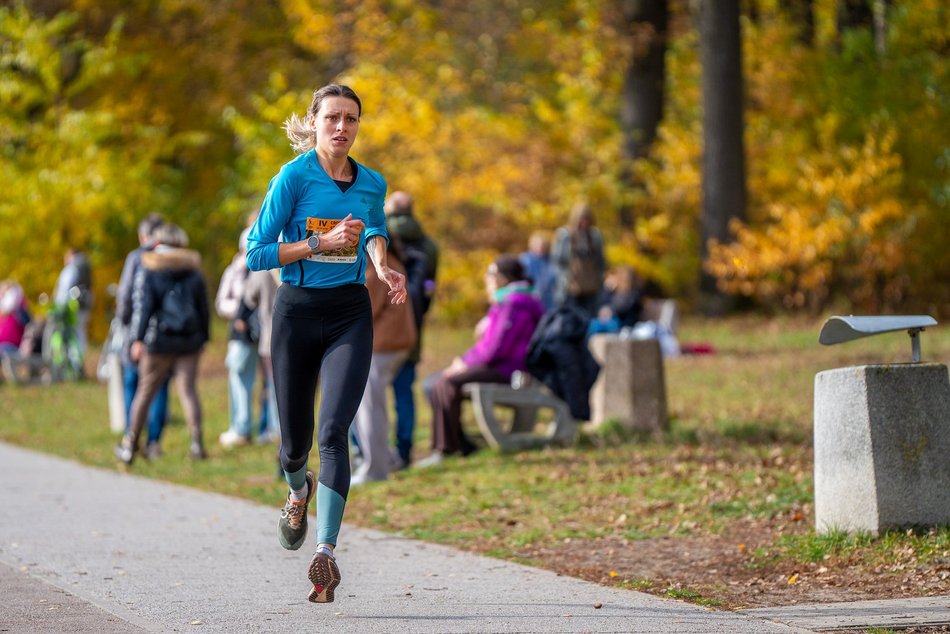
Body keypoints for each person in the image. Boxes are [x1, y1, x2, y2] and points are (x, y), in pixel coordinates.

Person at [245, 83, 407, 604]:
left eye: (351, 119)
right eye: (333, 117)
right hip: (296, 312)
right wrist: (320, 241)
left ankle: (326, 552)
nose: (342, 127)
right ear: (314, 122)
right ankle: (298, 491)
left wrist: (381, 264)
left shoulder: (372, 182)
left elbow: (374, 229)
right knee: (295, 444)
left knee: (334, 431)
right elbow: (257, 253)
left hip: (349, 314)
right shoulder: (292, 178)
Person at [417, 254, 545, 468]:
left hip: (509, 370)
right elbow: (487, 345)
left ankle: (445, 449)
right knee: (435, 383)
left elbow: (496, 349)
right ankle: (459, 445)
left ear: (502, 278)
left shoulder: (514, 303)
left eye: (490, 273)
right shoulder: (507, 301)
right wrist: (463, 360)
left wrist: (465, 364)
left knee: (445, 383)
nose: (486, 278)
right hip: (499, 365)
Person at [114, 223, 211, 464]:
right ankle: (197, 444)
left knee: (145, 391)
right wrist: (203, 337)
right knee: (188, 391)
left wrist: (137, 338)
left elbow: (143, 307)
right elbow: (203, 309)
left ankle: (130, 444)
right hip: (189, 341)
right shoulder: (193, 270)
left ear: (158, 242)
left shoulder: (151, 267)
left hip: (158, 340)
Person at [350, 238, 416, 485]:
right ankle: (383, 458)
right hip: (392, 344)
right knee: (368, 406)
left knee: (369, 408)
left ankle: (375, 469)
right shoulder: (389, 260)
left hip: (382, 346)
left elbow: (363, 308)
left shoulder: (377, 267)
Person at [383, 190, 439, 469]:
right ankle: (404, 451)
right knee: (404, 392)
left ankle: (368, 451)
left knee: (368, 395)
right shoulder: (429, 244)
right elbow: (430, 288)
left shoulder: (379, 234)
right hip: (412, 326)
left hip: (380, 327)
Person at [116, 213, 170, 459]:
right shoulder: (172, 256)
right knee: (159, 386)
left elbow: (125, 296)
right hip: (165, 335)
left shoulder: (137, 257)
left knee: (133, 383)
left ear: (143, 235)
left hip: (138, 333)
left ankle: (131, 436)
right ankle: (154, 441)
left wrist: (125, 324)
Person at [215, 227, 259, 448]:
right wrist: (240, 312)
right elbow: (222, 302)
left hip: (264, 332)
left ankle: (263, 429)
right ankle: (241, 427)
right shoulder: (235, 270)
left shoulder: (264, 266)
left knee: (269, 384)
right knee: (239, 378)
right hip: (241, 334)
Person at [240, 267, 280, 444]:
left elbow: (249, 297)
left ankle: (276, 431)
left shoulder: (264, 267)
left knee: (273, 386)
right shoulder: (297, 262)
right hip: (297, 334)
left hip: (270, 337)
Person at [550, 202, 606, 318]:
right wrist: (563, 279)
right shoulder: (565, 235)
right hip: (570, 286)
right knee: (570, 317)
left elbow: (600, 261)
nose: (584, 222)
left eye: (587, 219)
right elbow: (557, 260)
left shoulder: (594, 236)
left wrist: (599, 278)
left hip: (590, 287)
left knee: (589, 317)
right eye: (582, 219)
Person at [51, 247, 94, 359]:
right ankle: (80, 359)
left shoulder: (72, 268)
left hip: (72, 307)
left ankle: (71, 361)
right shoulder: (85, 266)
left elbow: (64, 289)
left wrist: (58, 306)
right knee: (81, 333)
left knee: (71, 334)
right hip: (84, 306)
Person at [518, 230, 556, 311]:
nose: (541, 248)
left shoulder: (551, 260)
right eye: (538, 245)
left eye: (543, 245)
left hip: (549, 299)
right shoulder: (526, 259)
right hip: (531, 298)